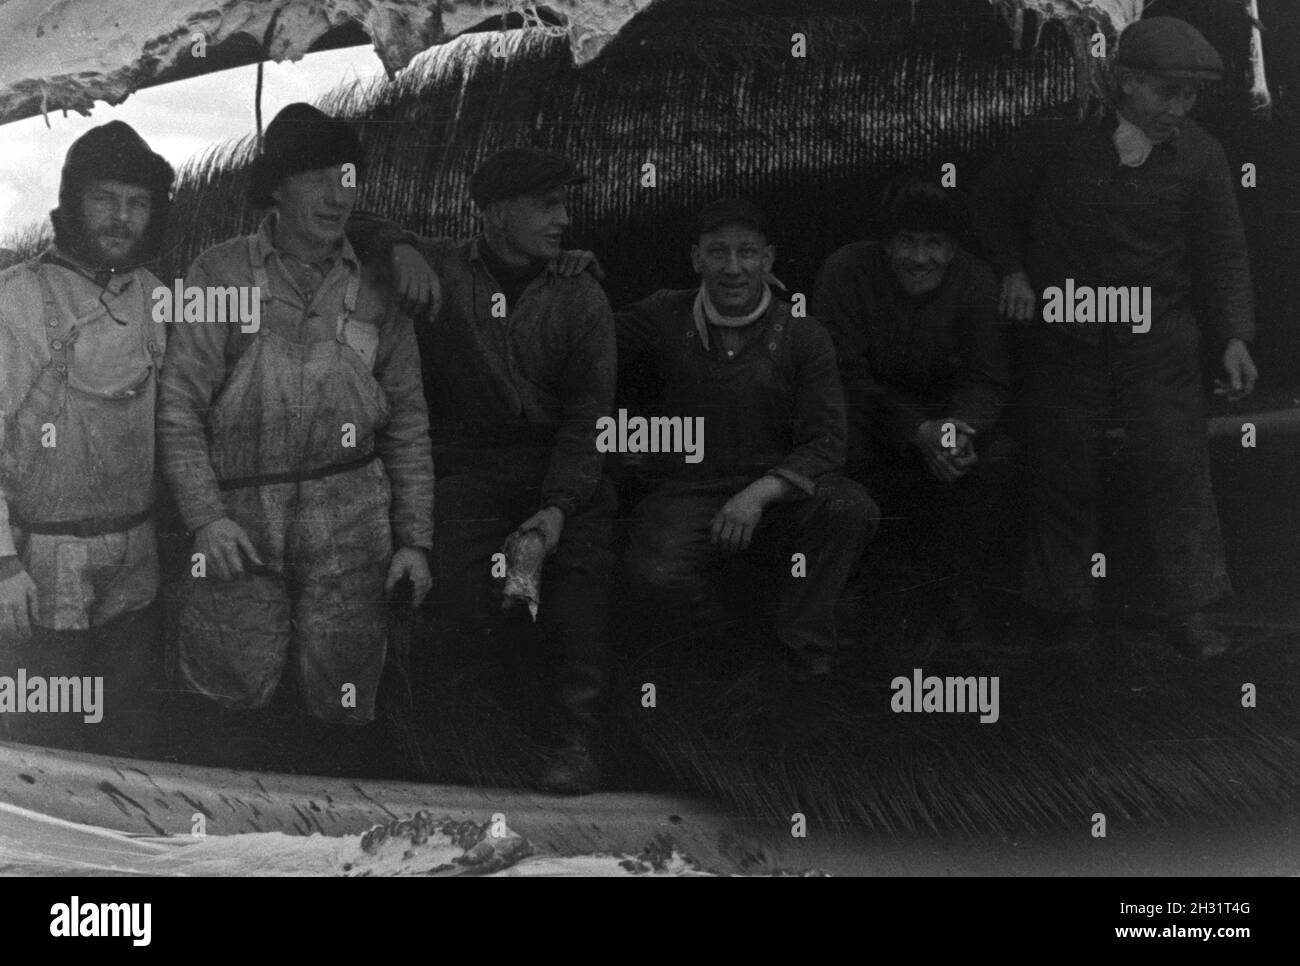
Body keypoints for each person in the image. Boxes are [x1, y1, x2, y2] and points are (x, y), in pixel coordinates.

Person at [156, 104, 434, 767]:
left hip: (352, 518)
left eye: (347, 176)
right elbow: (178, 408)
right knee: (229, 680)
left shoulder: (378, 287)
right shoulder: (219, 274)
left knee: (341, 696)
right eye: (316, 177)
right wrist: (206, 520)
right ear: (276, 187)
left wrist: (416, 541)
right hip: (242, 521)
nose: (338, 195)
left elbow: (409, 427)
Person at [972, 16, 1258, 660]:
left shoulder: (1203, 155)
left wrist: (1235, 337)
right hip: (1066, 337)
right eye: (1166, 92)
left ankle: (1190, 610)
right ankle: (1063, 612)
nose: (1178, 110)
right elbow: (988, 206)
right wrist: (1013, 270)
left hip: (1159, 342)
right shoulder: (1053, 136)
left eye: (1190, 96)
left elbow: (1224, 254)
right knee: (1063, 469)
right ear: (1125, 82)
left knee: (1178, 467)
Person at [352, 147, 618, 794]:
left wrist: (556, 509)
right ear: (497, 213)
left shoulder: (581, 294)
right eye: (545, 205)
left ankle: (578, 743)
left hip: (562, 468)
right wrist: (402, 250)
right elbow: (354, 222)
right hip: (471, 469)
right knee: (463, 591)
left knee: (580, 588)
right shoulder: (443, 267)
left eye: (565, 204)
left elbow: (590, 419)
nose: (563, 220)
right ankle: (486, 737)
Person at [617, 199, 878, 681]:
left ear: (768, 259)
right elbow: (594, 333)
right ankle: (721, 657)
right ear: (696, 258)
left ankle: (805, 652)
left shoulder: (803, 335)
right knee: (654, 575)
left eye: (747, 253)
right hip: (688, 490)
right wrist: (568, 270)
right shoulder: (664, 314)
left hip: (776, 493)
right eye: (717, 253)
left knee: (848, 508)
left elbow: (826, 442)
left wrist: (757, 495)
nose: (733, 268)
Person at [0, 122, 174, 756]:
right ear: (72, 203)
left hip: (135, 555)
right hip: (45, 564)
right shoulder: (21, 298)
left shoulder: (156, 297)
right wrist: (4, 566)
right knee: (43, 748)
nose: (121, 218)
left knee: (127, 739)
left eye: (137, 203)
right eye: (104, 199)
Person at [812, 179, 1014, 647]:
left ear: (953, 247)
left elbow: (987, 379)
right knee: (843, 449)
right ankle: (858, 591)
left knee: (997, 460)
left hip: (946, 422)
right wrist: (914, 429)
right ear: (885, 244)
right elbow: (840, 374)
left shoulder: (977, 280)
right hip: (869, 415)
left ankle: (960, 589)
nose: (919, 258)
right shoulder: (845, 271)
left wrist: (955, 430)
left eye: (933, 244)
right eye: (906, 241)